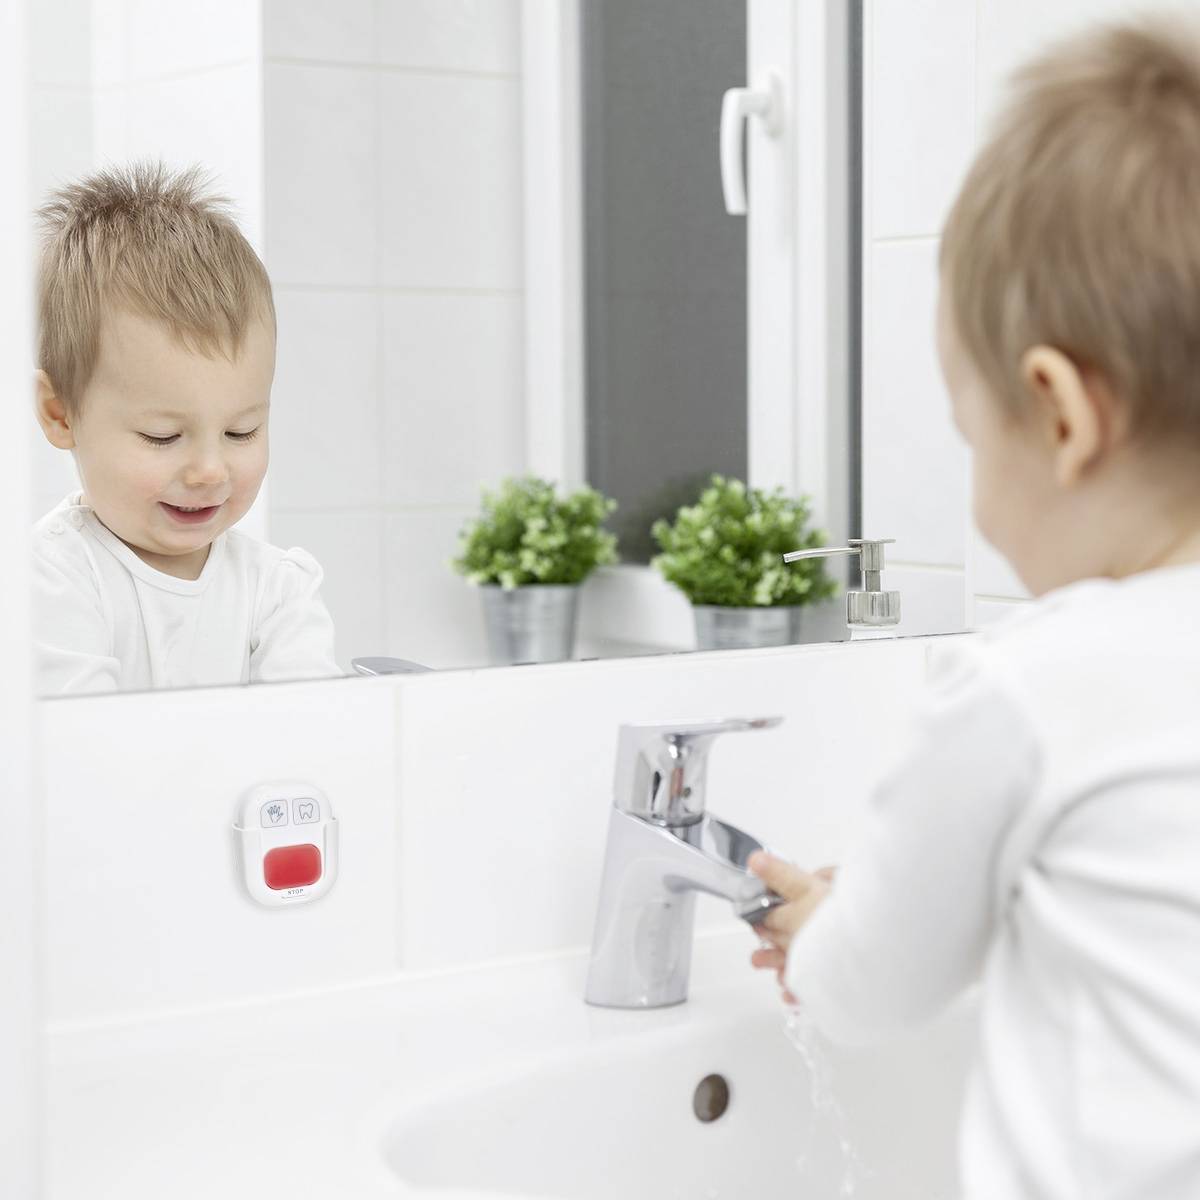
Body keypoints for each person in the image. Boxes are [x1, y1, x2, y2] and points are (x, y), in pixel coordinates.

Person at [749, 18, 1200, 1199]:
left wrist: (820, 934)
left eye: (968, 437)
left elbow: (870, 989)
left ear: (1060, 417)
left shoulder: (1033, 683)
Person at [31, 161, 341, 694]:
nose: (209, 471)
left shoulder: (275, 590)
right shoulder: (50, 579)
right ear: (62, 416)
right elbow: (84, 752)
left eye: (242, 431)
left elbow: (310, 736)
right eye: (162, 437)